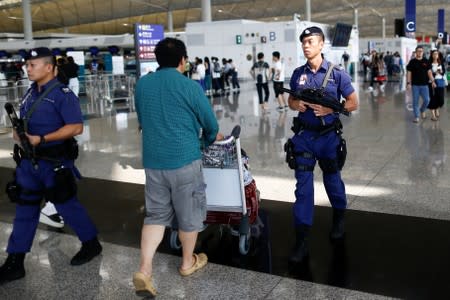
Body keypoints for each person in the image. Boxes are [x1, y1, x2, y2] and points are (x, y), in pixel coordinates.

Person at [0, 47, 102, 283]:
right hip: (28, 162)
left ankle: (91, 243)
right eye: (27, 64)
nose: (28, 68)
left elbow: (76, 127)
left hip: (54, 163)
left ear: (49, 67)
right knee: (25, 208)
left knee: (67, 206)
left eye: (33, 64)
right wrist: (20, 133)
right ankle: (15, 261)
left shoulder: (63, 94)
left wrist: (42, 139)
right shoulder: (29, 93)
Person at [133, 38, 222, 298]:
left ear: (157, 59)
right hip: (184, 160)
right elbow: (211, 124)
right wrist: (205, 141)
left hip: (153, 162)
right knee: (189, 214)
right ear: (183, 61)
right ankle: (187, 263)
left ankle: (145, 270)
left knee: (156, 215)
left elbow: (142, 119)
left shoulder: (143, 84)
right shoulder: (189, 86)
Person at [286, 27, 358, 264]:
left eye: (310, 41)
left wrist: (331, 109)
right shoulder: (298, 74)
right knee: (303, 190)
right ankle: (301, 240)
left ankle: (339, 216)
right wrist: (295, 104)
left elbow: (353, 102)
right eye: (303, 42)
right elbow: (291, 99)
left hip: (328, 138)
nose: (306, 45)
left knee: (333, 182)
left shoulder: (337, 73)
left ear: (321, 44)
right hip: (305, 137)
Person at [406, 45, 436, 123]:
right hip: (415, 85)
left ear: (423, 52)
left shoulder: (426, 61)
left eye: (421, 51)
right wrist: (408, 83)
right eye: (418, 51)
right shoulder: (412, 62)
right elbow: (409, 73)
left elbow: (429, 72)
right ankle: (416, 117)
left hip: (424, 85)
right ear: (416, 52)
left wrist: (433, 81)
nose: (420, 52)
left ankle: (422, 110)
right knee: (415, 101)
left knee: (427, 100)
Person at [427, 50, 446, 121]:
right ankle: (433, 115)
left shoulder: (441, 63)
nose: (435, 55)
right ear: (432, 55)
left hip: (440, 82)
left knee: (441, 100)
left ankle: (436, 108)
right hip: (432, 82)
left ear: (438, 55)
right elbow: (428, 74)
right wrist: (435, 72)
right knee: (432, 98)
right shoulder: (429, 64)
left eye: (437, 54)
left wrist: (441, 72)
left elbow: (443, 72)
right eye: (434, 54)